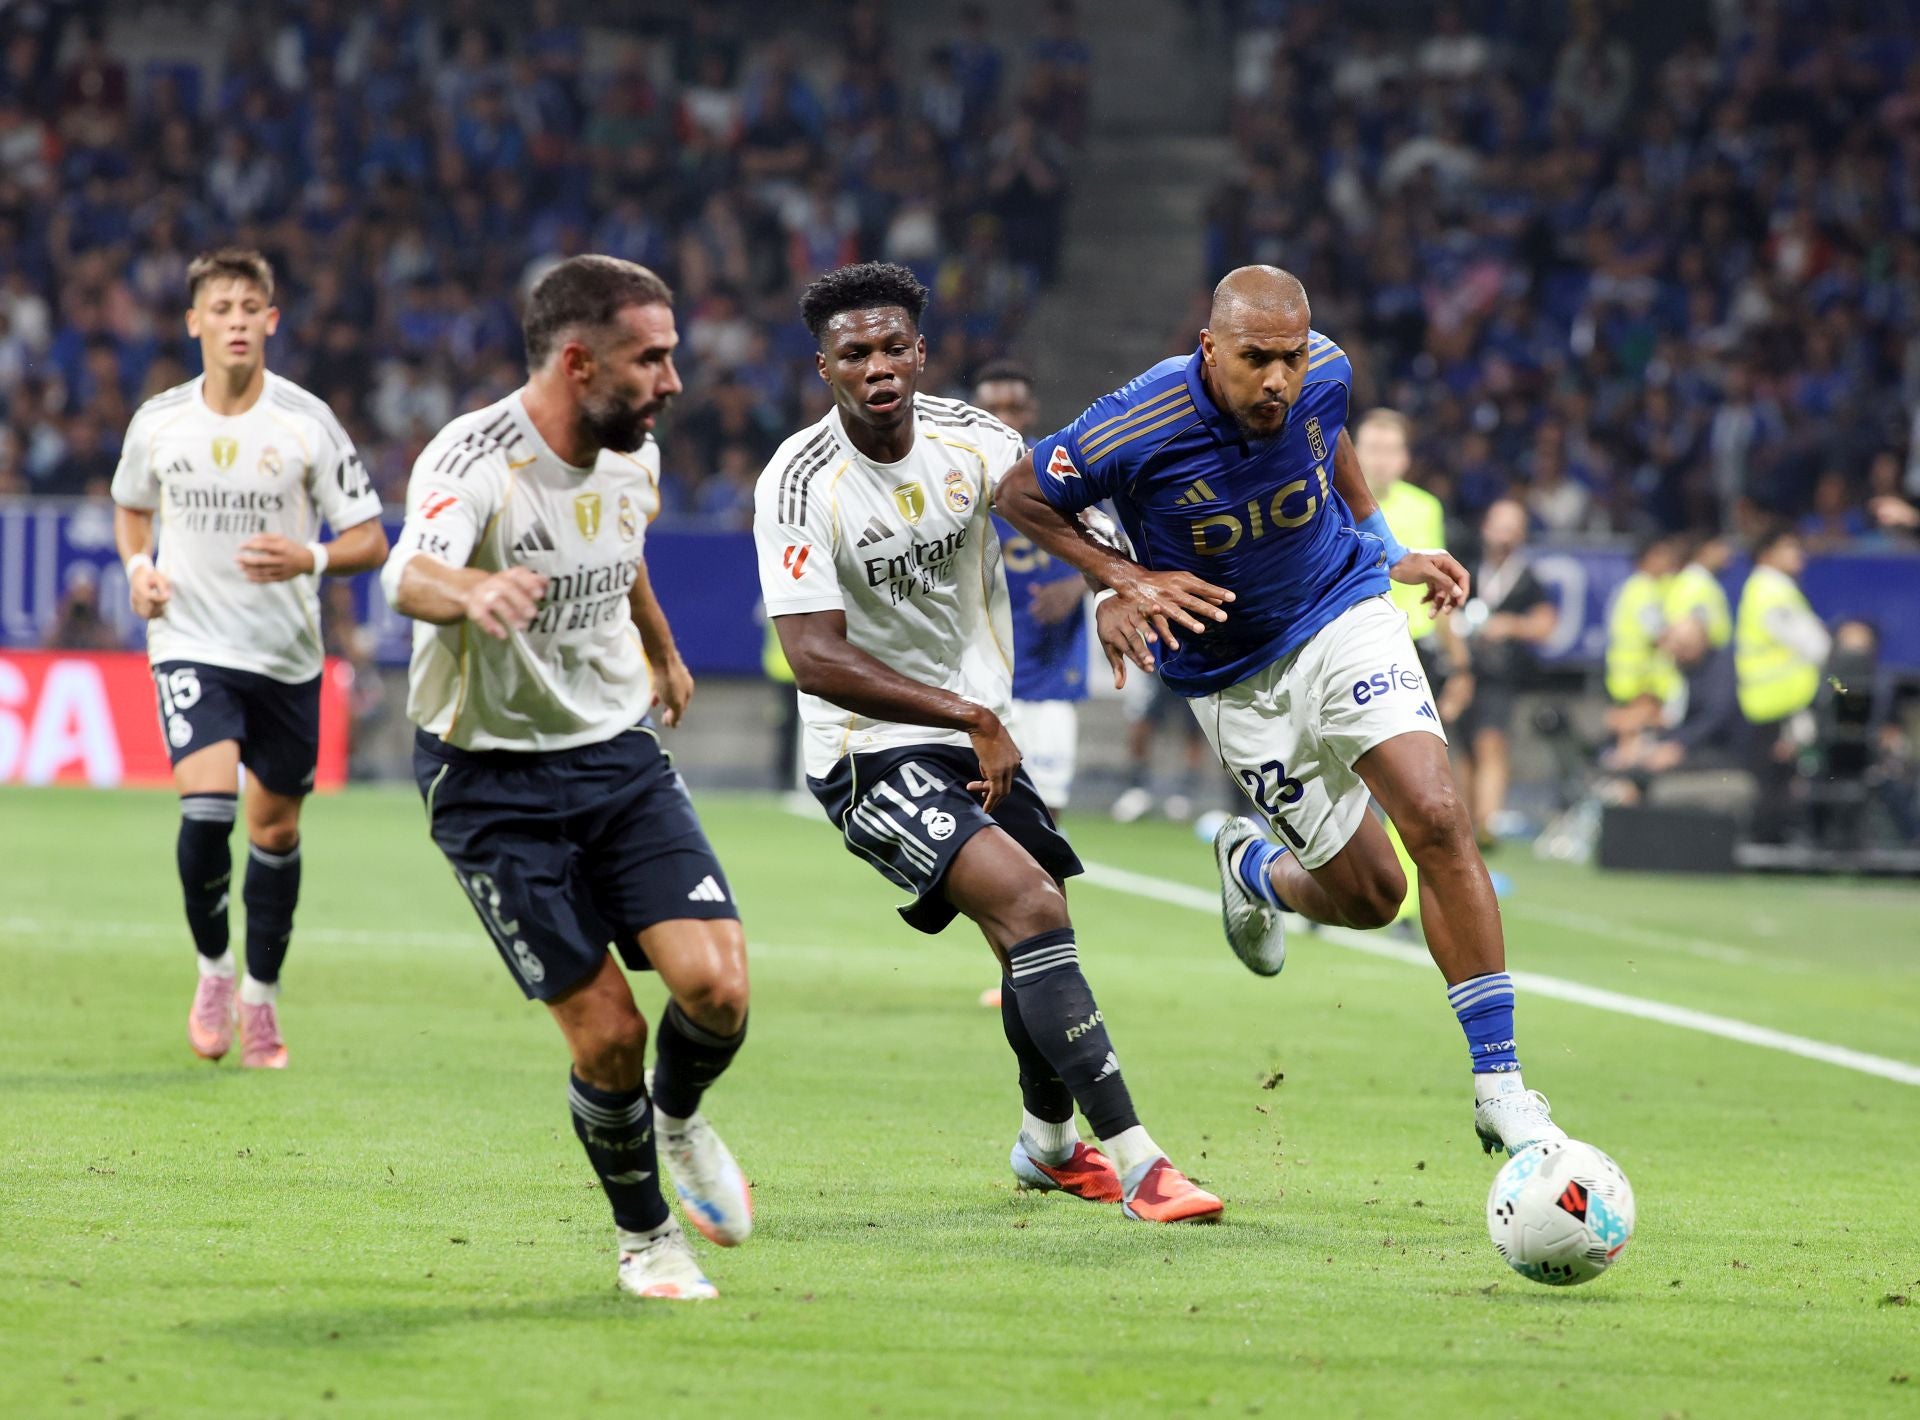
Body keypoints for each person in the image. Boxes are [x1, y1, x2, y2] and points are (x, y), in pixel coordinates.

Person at [995, 264, 1569, 1158]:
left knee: (1439, 814)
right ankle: (1259, 871)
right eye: (1256, 359)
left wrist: (1385, 546)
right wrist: (1121, 577)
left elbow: (1326, 427)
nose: (1278, 381)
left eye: (1291, 359)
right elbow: (1022, 494)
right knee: (1374, 898)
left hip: (1341, 610)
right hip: (1231, 677)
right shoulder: (1138, 420)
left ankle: (1501, 1085)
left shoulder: (1325, 373)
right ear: (1209, 348)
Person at [755, 261, 1221, 1223]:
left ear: (920, 355)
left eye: (893, 348)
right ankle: (1139, 1162)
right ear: (825, 369)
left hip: (976, 733)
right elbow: (812, 655)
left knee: (1033, 929)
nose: (877, 366)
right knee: (1029, 901)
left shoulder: (978, 440)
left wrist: (1108, 587)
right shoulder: (800, 484)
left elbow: (1056, 510)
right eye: (855, 354)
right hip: (865, 750)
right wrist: (968, 715)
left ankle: (1048, 1146)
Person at [382, 256, 752, 1301]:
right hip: (490, 779)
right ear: (581, 361)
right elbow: (407, 570)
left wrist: (664, 647)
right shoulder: (478, 454)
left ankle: (676, 1122)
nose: (673, 380)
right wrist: (470, 590)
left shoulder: (635, 451)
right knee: (609, 1033)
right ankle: (645, 1239)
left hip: (614, 754)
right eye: (654, 357)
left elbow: (624, 547)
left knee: (717, 991)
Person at [110, 248, 389, 1069]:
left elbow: (369, 539)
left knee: (276, 829)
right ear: (193, 321)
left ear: (272, 321)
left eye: (249, 308)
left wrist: (309, 559)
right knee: (207, 810)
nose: (235, 321)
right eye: (219, 308)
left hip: (286, 656)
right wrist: (138, 569)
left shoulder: (306, 422)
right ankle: (212, 974)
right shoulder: (159, 421)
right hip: (191, 640)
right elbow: (131, 509)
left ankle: (261, 998)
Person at [975, 359, 1090, 813]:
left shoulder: (1062, 471)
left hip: (1049, 667)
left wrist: (1080, 584)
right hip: (980, 672)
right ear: (974, 412)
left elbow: (1117, 543)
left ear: (1031, 412)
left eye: (1014, 407)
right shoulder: (953, 475)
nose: (1004, 418)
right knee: (982, 809)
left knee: (1048, 807)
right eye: (993, 408)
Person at [1453, 498, 1557, 846]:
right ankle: (1465, 825)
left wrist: (1510, 625)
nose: (1504, 535)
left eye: (1513, 528)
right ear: (1485, 527)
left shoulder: (1527, 579)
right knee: (1463, 748)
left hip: (1499, 676)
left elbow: (1545, 625)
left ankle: (1488, 823)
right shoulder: (1468, 568)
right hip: (1460, 672)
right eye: (1500, 525)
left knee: (1490, 742)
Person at [1734, 526, 1829, 843]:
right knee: (1777, 783)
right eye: (1789, 547)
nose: (1797, 554)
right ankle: (1772, 846)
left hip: (1771, 701)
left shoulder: (1767, 588)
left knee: (1776, 780)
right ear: (1766, 554)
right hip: (1779, 702)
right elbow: (1814, 643)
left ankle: (1770, 841)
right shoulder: (1770, 590)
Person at [1603, 534, 1681, 749]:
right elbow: (1658, 632)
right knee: (1632, 732)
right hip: (1637, 679)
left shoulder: (1638, 587)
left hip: (1637, 679)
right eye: (1662, 554)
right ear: (1647, 558)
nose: (1668, 560)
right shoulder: (1642, 590)